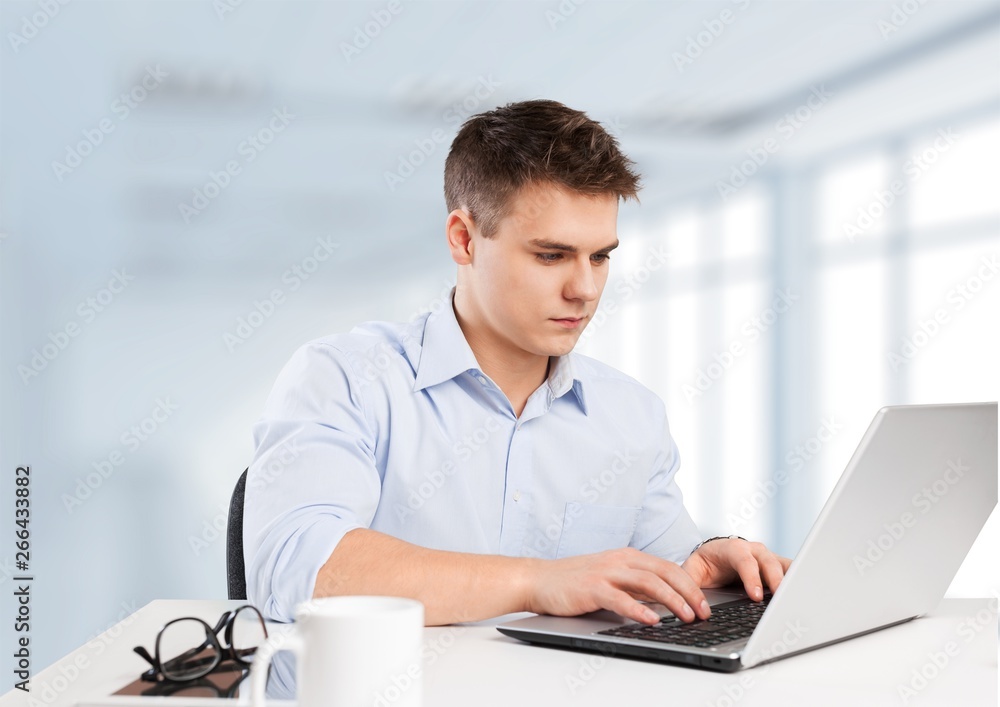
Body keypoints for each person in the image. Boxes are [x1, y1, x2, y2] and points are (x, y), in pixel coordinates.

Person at [244, 99, 790, 627]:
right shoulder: (345, 378)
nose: (585, 289)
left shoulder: (633, 416)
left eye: (600, 256)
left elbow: (658, 575)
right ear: (464, 239)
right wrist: (536, 582)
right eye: (551, 255)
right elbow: (300, 566)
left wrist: (704, 563)